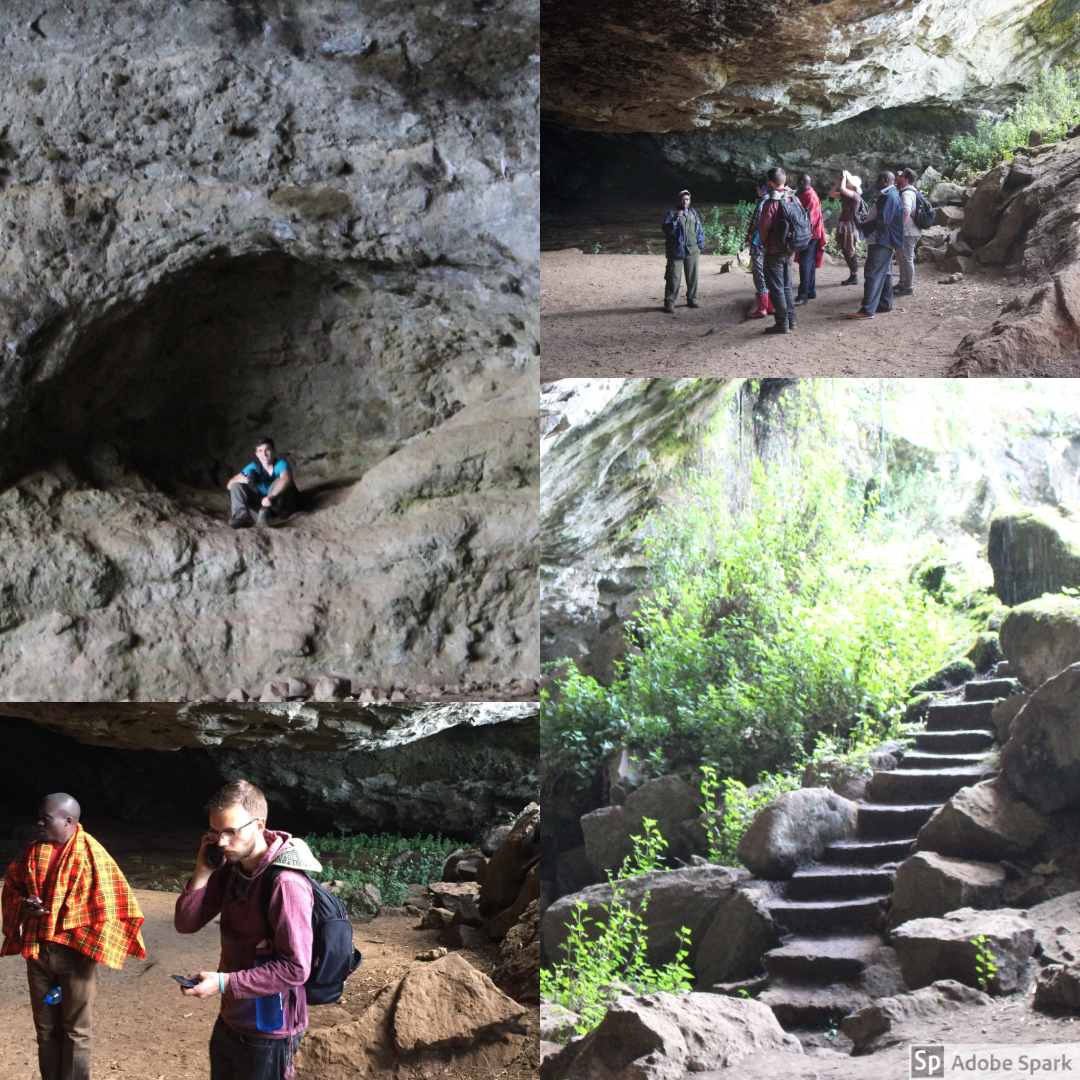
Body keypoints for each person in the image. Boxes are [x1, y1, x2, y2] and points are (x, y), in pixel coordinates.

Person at [175, 780, 319, 1080]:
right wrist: (202, 870)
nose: (222, 842)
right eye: (215, 833)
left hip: (270, 1031)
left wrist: (223, 983)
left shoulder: (286, 885)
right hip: (232, 1018)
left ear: (259, 825)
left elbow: (295, 969)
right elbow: (186, 923)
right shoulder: (232, 869)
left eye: (231, 831)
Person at [2, 794, 146, 1080]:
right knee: (45, 1031)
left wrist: (77, 927)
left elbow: (112, 902)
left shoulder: (91, 855)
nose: (39, 822)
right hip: (39, 953)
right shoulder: (33, 852)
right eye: (39, 817)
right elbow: (12, 888)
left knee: (76, 1031)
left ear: (68, 821)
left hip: (76, 956)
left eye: (46, 818)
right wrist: (24, 905)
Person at [847, 171, 904, 321]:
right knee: (885, 274)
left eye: (878, 179)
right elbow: (882, 216)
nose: (875, 182)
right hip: (884, 240)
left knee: (872, 274)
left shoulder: (890, 196)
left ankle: (867, 310)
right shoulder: (889, 194)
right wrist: (870, 217)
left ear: (886, 180)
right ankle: (884, 304)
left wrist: (864, 226)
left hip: (881, 241)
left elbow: (883, 221)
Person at [756, 166, 797, 335]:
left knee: (777, 288)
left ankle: (782, 323)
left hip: (775, 250)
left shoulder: (771, 203)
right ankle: (791, 320)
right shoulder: (794, 198)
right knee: (786, 286)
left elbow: (763, 229)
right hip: (791, 249)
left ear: (771, 183)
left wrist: (765, 246)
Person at [227, 437, 297, 529]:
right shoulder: (253, 467)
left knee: (278, 481)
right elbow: (229, 485)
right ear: (257, 454)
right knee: (235, 485)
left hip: (282, 503)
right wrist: (239, 480)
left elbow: (285, 479)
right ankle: (242, 517)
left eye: (267, 450)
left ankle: (266, 514)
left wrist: (270, 497)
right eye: (260, 451)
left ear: (273, 451)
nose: (264, 454)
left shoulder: (281, 464)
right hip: (263, 505)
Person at [661, 189, 705, 312]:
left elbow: (700, 230)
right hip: (676, 251)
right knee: (673, 277)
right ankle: (669, 302)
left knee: (692, 276)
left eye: (687, 199)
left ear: (689, 201)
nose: (684, 201)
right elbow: (667, 231)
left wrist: (699, 244)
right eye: (682, 199)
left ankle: (692, 299)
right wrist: (675, 220)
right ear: (679, 200)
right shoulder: (672, 214)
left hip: (693, 250)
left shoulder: (693, 213)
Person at [743, 176, 775, 320]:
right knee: (769, 274)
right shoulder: (776, 200)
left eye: (758, 187)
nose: (756, 189)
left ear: (763, 187)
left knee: (759, 275)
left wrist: (749, 235)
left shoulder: (763, 203)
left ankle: (762, 308)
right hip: (770, 245)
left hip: (759, 244)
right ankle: (771, 306)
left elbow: (756, 222)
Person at [793, 173, 826, 306]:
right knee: (809, 263)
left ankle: (803, 296)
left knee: (805, 264)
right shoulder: (807, 194)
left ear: (801, 182)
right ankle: (810, 291)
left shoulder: (810, 197)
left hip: (810, 235)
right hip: (812, 233)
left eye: (797, 182)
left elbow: (806, 221)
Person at [827, 171, 864, 285]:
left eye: (848, 180)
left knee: (850, 250)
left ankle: (854, 276)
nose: (846, 181)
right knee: (846, 250)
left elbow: (843, 190)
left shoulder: (855, 196)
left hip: (850, 225)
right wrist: (838, 183)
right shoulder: (847, 195)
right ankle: (853, 275)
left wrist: (842, 182)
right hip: (845, 225)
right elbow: (831, 193)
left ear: (852, 185)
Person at [895, 167, 921, 295]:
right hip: (908, 231)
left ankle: (908, 286)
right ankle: (902, 283)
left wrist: (899, 227)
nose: (898, 177)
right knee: (902, 258)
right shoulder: (911, 191)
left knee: (907, 259)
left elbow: (906, 211)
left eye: (901, 176)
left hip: (909, 232)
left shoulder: (907, 193)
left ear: (905, 179)